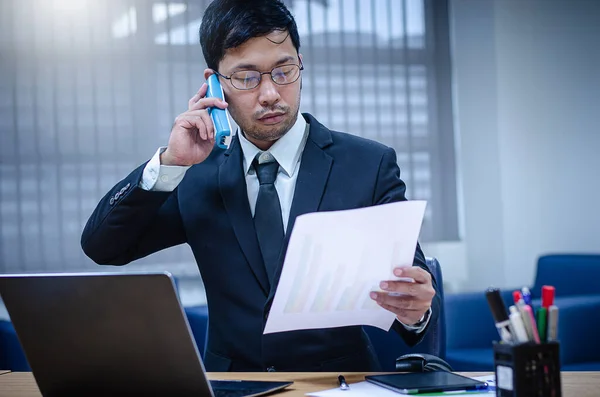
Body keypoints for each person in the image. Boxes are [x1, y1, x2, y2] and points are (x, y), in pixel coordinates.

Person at [81, 0, 439, 372]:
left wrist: (416, 310)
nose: (270, 93)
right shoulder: (195, 174)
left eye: (284, 71)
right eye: (248, 77)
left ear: (301, 64)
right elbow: (103, 247)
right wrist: (170, 162)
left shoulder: (367, 165)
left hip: (336, 383)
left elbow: (413, 299)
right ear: (215, 84)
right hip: (232, 385)